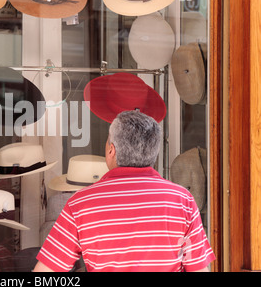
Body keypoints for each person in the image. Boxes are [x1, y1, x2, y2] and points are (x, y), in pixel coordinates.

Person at [33, 110, 215, 272]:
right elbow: (198, 268)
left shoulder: (80, 203)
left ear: (111, 150)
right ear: (154, 153)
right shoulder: (182, 200)